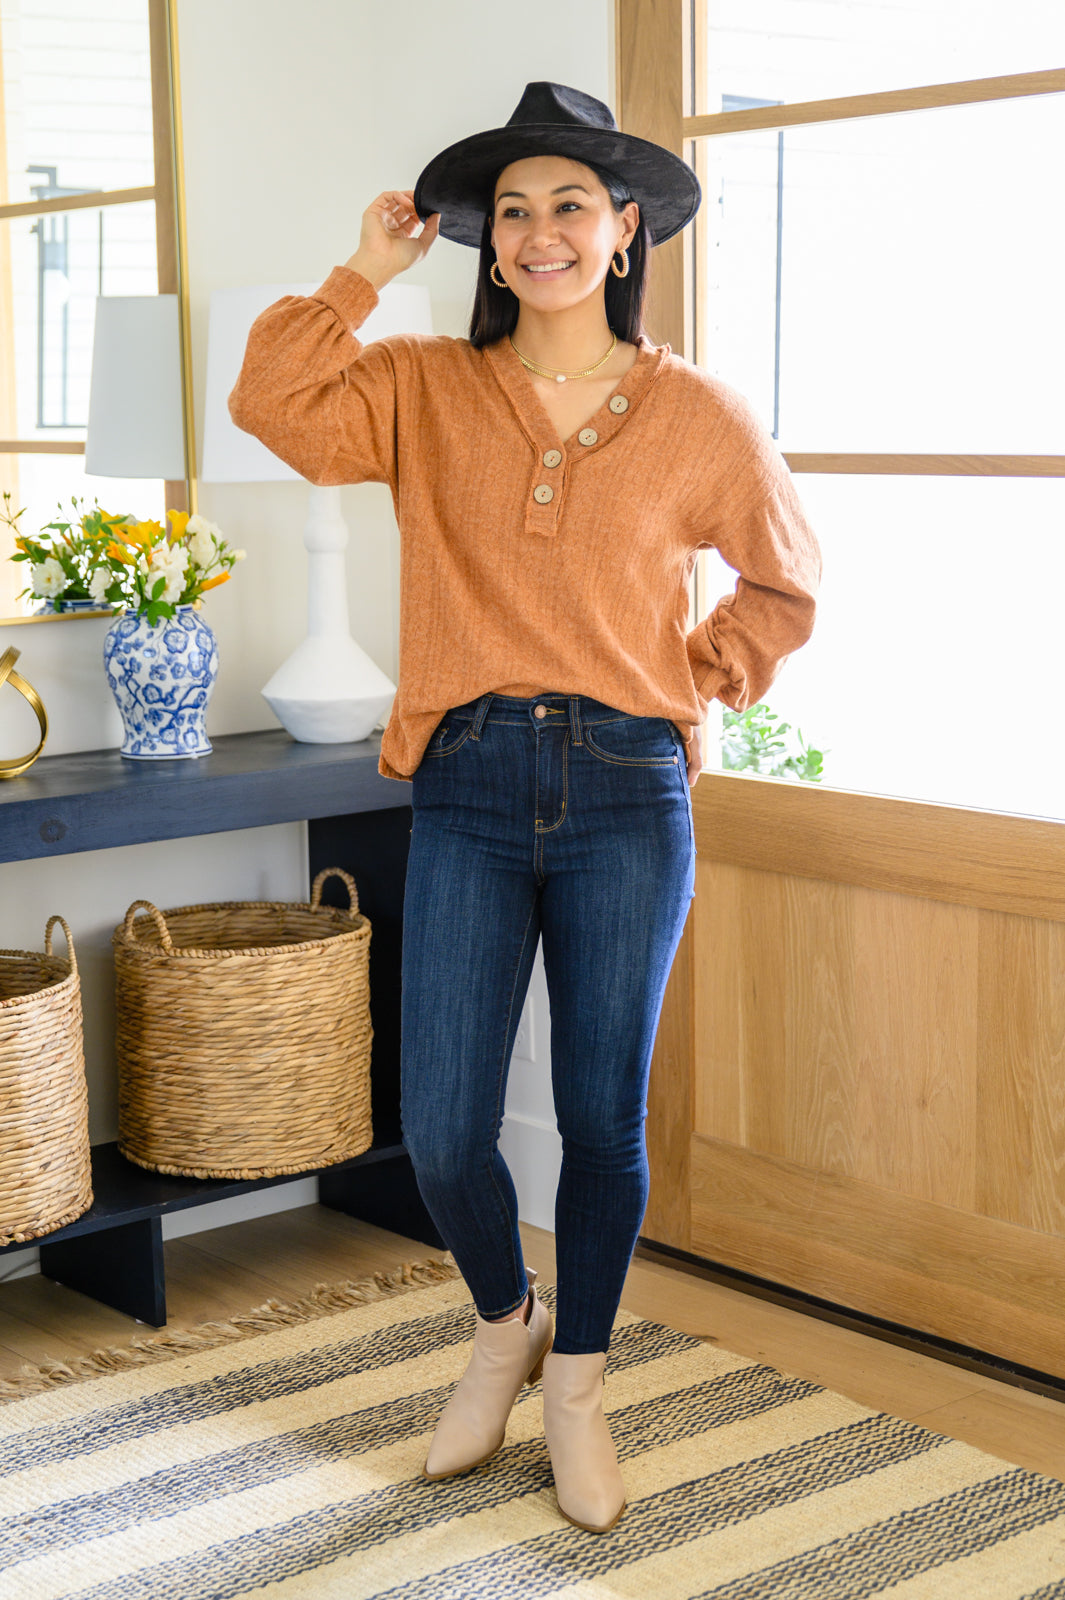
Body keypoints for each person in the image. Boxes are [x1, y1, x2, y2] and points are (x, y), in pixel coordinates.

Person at [230, 81, 821, 1534]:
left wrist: (689, 679)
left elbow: (784, 580)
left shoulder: (695, 415)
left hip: (628, 790)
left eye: (570, 205)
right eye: (512, 211)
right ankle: (505, 1322)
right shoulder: (421, 383)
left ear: (624, 233)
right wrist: (361, 272)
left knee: (599, 1124)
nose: (541, 232)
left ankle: (579, 1387)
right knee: (437, 1125)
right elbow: (274, 406)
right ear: (483, 244)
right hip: (469, 784)